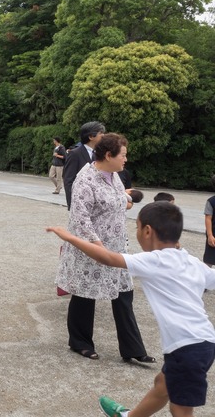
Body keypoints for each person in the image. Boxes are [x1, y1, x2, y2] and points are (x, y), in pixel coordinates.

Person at [47, 202, 215, 417]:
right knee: (162, 384)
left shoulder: (154, 260)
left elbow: (107, 258)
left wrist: (70, 237)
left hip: (186, 347)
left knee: (180, 408)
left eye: (136, 227)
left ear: (147, 231)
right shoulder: (192, 262)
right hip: (204, 342)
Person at [55, 133, 154, 363]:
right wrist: (98, 247)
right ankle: (80, 342)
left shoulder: (114, 176)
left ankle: (133, 349)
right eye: (123, 155)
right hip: (92, 247)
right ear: (108, 155)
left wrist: (126, 201)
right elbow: (80, 219)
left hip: (117, 246)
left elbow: (119, 200)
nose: (125, 160)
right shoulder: (86, 179)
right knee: (84, 294)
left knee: (123, 294)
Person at [63, 121, 105, 209]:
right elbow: (68, 180)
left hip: (98, 204)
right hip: (81, 202)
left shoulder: (101, 154)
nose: (103, 136)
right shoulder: (75, 154)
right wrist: (72, 204)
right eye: (100, 133)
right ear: (90, 137)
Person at [203, 176, 215, 267]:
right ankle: (206, 276)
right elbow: (208, 218)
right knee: (209, 258)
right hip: (213, 233)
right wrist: (210, 235)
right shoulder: (211, 201)